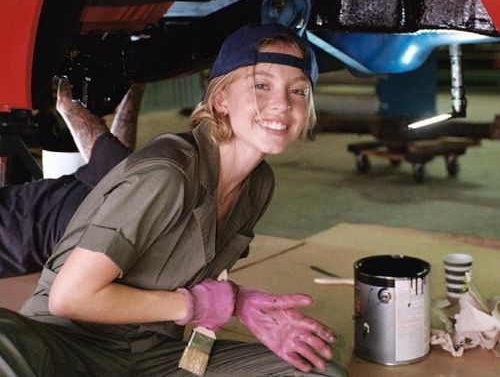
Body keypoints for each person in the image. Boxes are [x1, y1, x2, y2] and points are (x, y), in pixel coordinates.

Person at [0, 23, 346, 376]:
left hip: (153, 353)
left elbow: (191, 270)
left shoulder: (258, 184)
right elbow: (69, 298)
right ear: (221, 99)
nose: (282, 104)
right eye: (262, 85)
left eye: (298, 91)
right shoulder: (167, 173)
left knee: (318, 373)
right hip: (67, 348)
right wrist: (195, 305)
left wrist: (238, 301)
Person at [0, 79, 145, 277]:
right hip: (59, 230)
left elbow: (117, 171)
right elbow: (118, 173)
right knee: (125, 184)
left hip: (61, 229)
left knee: (122, 182)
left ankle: (135, 85)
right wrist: (68, 105)